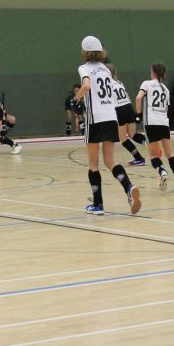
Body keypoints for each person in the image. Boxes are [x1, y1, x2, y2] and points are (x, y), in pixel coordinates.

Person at [69, 36, 141, 215]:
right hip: (111, 117)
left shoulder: (84, 68)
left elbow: (86, 86)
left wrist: (76, 98)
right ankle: (128, 187)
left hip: (95, 119)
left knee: (93, 164)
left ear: (85, 51)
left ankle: (98, 205)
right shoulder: (106, 69)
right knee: (110, 161)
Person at [135, 62, 174, 193]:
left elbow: (138, 98)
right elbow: (166, 109)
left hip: (151, 122)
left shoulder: (146, 84)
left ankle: (162, 170)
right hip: (164, 122)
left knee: (153, 156)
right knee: (170, 154)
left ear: (153, 72)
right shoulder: (165, 89)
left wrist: (138, 115)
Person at [106, 63, 146, 166]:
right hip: (128, 106)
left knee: (123, 139)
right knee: (132, 134)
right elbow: (127, 96)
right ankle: (150, 142)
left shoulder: (106, 84)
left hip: (119, 109)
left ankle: (139, 159)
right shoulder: (118, 82)